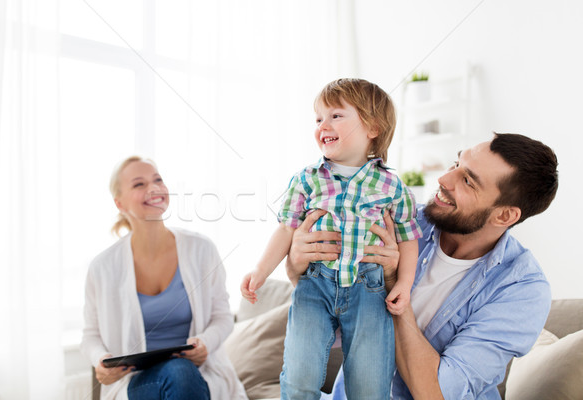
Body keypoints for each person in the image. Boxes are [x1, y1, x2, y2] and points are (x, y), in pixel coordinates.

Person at [286, 133, 559, 399]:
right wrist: (299, 272)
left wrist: (394, 284)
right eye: (456, 163)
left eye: (467, 181)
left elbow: (436, 393)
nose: (443, 179)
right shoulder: (398, 222)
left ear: (504, 215)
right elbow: (336, 327)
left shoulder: (522, 290)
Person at [241, 78, 422, 399]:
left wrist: (403, 285)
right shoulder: (306, 180)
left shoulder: (392, 186)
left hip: (370, 290)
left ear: (373, 128)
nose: (323, 124)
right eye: (318, 118)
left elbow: (408, 239)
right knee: (299, 375)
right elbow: (286, 229)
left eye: (336, 115)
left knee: (369, 383)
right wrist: (260, 272)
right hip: (314, 285)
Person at [80, 156, 247, 400]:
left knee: (181, 373)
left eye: (157, 180)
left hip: (199, 375)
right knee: (179, 373)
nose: (154, 188)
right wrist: (101, 361)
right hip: (137, 382)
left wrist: (206, 344)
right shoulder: (102, 267)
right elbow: (90, 336)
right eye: (139, 184)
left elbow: (222, 317)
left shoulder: (201, 249)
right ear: (120, 203)